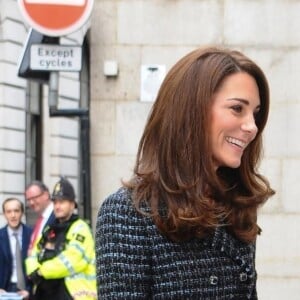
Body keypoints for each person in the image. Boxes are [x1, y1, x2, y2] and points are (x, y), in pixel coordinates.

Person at [95, 46, 275, 299]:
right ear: (192, 111)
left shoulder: (237, 205)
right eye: (237, 108)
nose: (252, 127)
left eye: (255, 114)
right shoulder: (128, 212)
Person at [25, 176, 97, 300]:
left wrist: (40, 272)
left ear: (72, 204)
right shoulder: (50, 229)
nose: (57, 206)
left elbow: (72, 260)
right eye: (55, 202)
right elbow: (33, 254)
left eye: (62, 202)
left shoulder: (80, 228)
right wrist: (33, 270)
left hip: (71, 295)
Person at [0, 197, 33, 299]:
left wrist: (29, 290)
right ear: (4, 214)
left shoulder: (32, 234)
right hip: (5, 290)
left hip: (27, 289)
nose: (13, 215)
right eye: (9, 212)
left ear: (22, 212)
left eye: (16, 211)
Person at [25, 181, 55, 254]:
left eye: (34, 198)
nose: (31, 203)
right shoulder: (40, 219)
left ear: (46, 195)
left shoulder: (57, 217)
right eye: (28, 200)